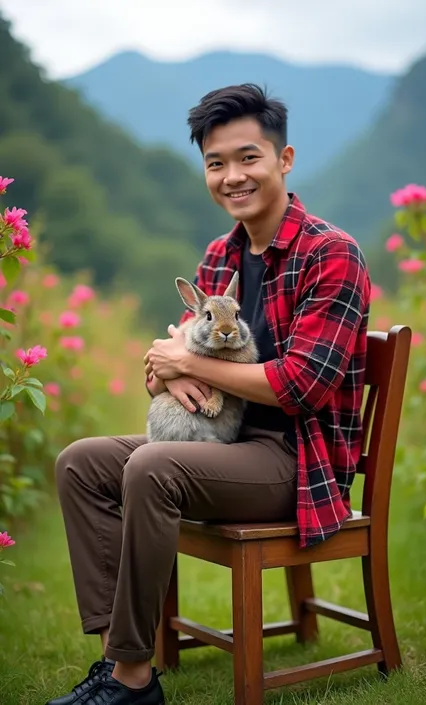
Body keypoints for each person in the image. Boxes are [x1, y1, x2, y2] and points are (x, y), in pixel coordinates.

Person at [46, 83, 371, 705]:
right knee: (81, 463)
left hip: (293, 462)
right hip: (216, 440)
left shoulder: (332, 254)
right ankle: (121, 652)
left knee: (151, 465)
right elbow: (164, 368)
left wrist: (187, 361)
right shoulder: (219, 257)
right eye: (216, 163)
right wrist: (167, 368)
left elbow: (300, 386)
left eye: (248, 158)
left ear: (285, 159)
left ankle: (131, 681)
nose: (232, 177)